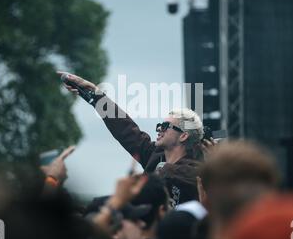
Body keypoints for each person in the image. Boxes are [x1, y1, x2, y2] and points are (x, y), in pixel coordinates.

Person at [59, 72, 208, 206]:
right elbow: (126, 130)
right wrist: (97, 95)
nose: (159, 130)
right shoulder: (155, 157)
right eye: (159, 125)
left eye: (165, 126)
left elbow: (180, 175)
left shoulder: (196, 173)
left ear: (183, 135)